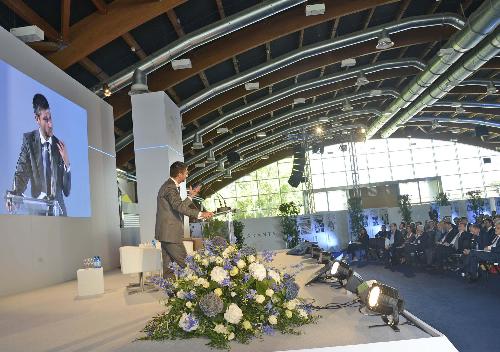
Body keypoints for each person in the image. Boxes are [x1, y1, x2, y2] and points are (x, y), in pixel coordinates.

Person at [7, 94, 71, 216]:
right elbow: (21, 172)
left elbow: (66, 191)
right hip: (38, 213)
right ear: (37, 119)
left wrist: (67, 164)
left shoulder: (59, 146)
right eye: (46, 119)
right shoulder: (29, 141)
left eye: (51, 118)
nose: (50, 124)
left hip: (60, 214)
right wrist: (15, 193)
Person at [155, 161, 214, 279]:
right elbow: (179, 207)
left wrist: (191, 196)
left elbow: (177, 206)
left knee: (169, 268)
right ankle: (200, 291)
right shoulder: (170, 187)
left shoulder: (168, 186)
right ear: (179, 174)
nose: (187, 175)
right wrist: (201, 214)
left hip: (165, 234)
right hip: (171, 234)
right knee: (188, 264)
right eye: (186, 173)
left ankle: (172, 295)